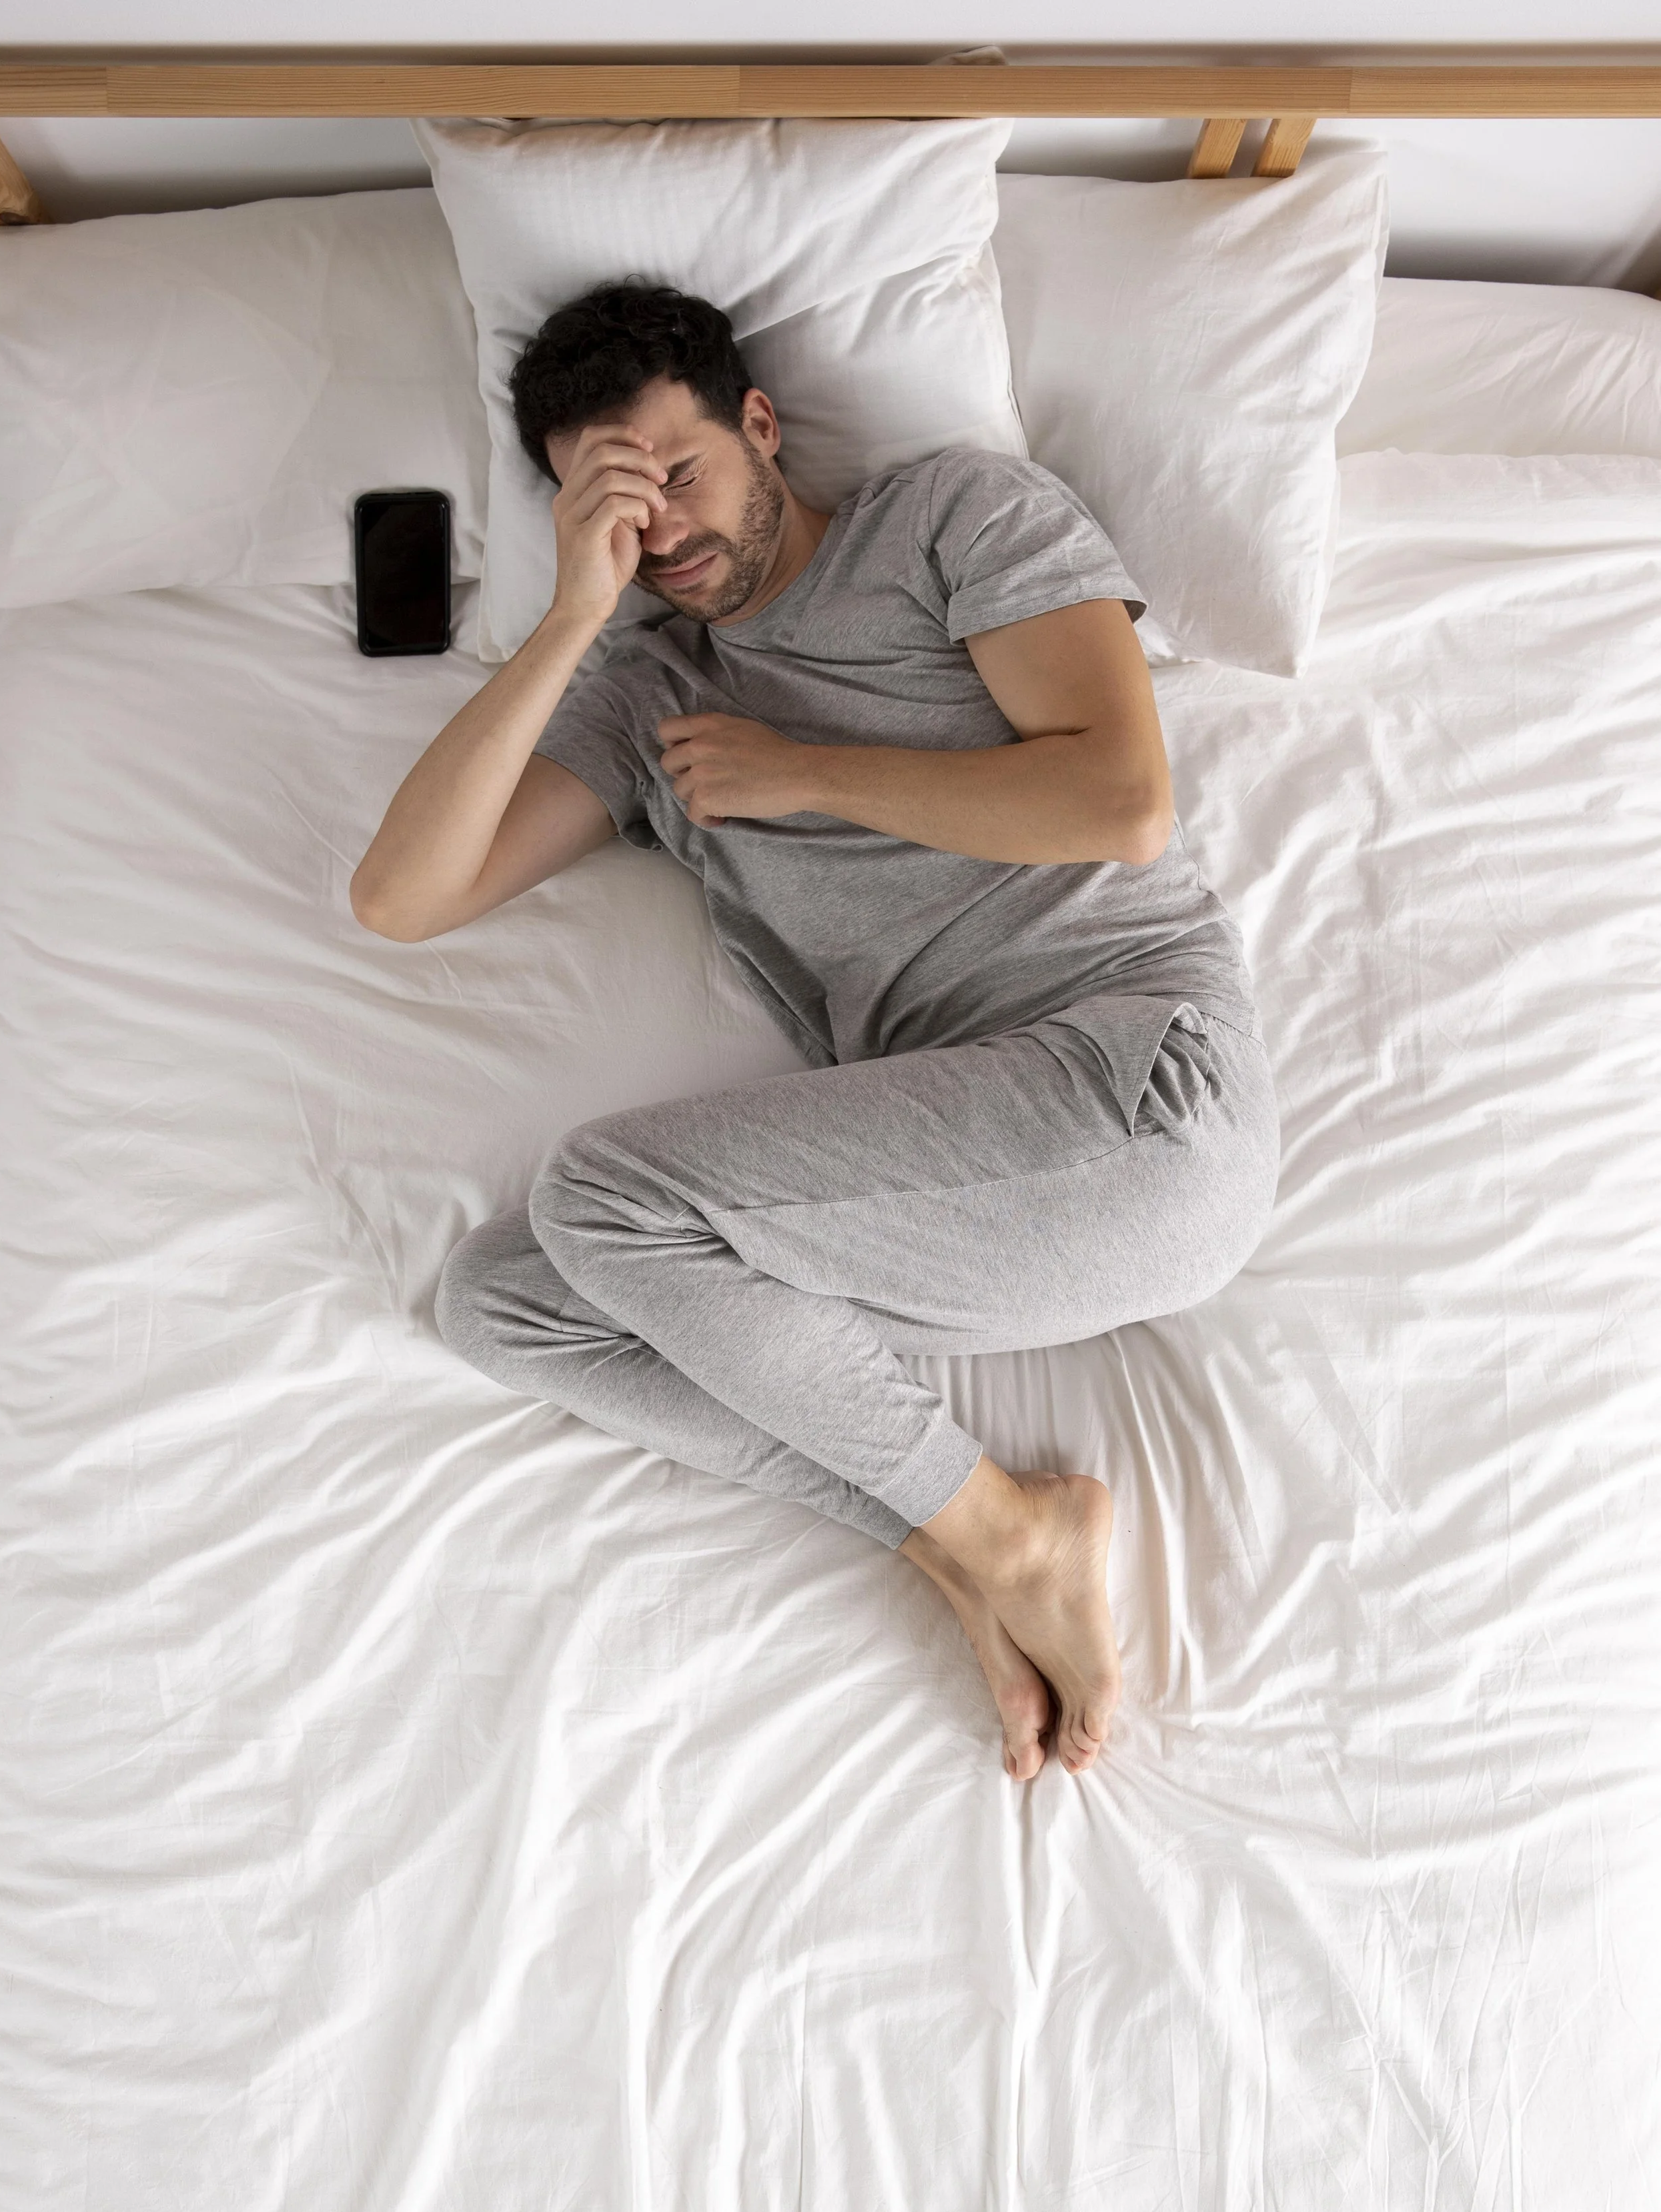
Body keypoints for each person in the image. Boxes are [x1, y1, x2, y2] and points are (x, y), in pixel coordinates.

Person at [350, 283, 1278, 1783]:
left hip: (1138, 1096)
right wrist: (574, 614)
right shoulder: (648, 687)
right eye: (616, 512)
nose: (667, 535)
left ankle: (1001, 1535)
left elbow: (1119, 804)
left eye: (681, 475)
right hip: (967, 1196)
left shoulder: (950, 518)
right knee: (502, 1301)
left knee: (606, 1199)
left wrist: (802, 775)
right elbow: (403, 896)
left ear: (761, 427)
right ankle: (969, 1541)